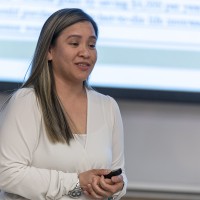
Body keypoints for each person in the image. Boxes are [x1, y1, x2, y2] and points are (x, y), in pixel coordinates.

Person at [0, 8, 127, 200]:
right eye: (75, 43)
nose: (85, 52)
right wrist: (76, 182)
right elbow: (7, 173)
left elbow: (120, 173)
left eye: (92, 45)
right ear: (49, 51)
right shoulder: (27, 101)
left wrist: (115, 186)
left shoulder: (108, 106)